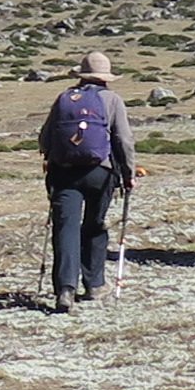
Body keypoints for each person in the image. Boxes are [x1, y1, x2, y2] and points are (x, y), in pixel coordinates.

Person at [36, 53, 136, 309]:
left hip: (64, 173)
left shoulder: (64, 98)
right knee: (94, 225)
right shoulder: (112, 99)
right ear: (106, 78)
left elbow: (45, 138)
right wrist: (129, 173)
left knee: (65, 228)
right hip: (100, 173)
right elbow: (123, 140)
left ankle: (65, 289)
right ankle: (94, 284)